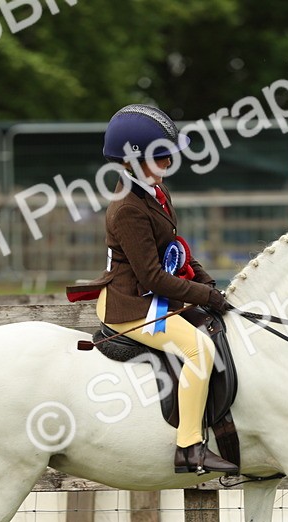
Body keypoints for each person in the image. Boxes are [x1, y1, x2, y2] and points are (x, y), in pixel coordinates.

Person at [78, 104, 237, 475]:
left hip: (153, 299)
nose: (168, 162)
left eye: (168, 154)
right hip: (133, 306)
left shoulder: (154, 191)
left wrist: (204, 279)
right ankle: (189, 449)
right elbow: (152, 277)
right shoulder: (128, 208)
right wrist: (205, 296)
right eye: (160, 156)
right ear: (133, 160)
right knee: (199, 350)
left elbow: (174, 247)